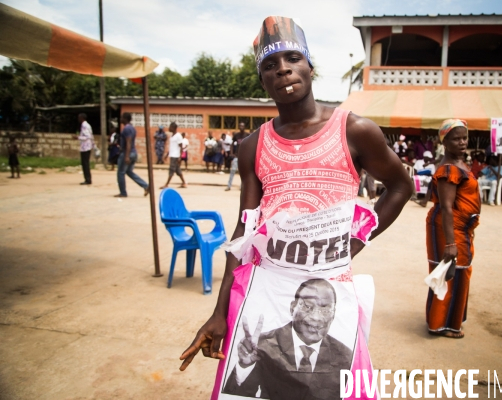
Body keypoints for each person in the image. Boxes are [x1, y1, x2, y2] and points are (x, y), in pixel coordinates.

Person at [178, 16, 413, 399]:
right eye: (270, 65)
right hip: (264, 291)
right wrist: (220, 312)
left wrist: (353, 243)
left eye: (292, 58)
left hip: (328, 292)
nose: (283, 69)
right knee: (257, 387)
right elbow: (244, 230)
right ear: (262, 80)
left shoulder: (355, 130)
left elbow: (401, 186)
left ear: (310, 67)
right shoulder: (253, 147)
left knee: (335, 388)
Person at [223, 279, 352, 398]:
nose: (316, 317)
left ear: (333, 315)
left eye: (325, 310)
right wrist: (245, 366)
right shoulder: (261, 347)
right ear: (292, 308)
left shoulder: (345, 357)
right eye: (307, 306)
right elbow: (235, 396)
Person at [426, 119, 480, 338]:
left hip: (460, 228)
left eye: (464, 137)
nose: (462, 142)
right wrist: (450, 243)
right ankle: (442, 324)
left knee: (459, 272)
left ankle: (449, 320)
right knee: (450, 273)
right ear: (445, 142)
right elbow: (447, 207)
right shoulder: (448, 169)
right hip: (449, 229)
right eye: (456, 138)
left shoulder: (460, 165)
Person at [114, 113, 149, 198]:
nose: (120, 119)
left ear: (125, 118)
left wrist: (126, 156)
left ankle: (123, 192)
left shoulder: (127, 129)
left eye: (122, 117)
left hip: (127, 153)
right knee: (129, 172)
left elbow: (128, 142)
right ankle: (145, 185)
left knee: (120, 173)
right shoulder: (132, 128)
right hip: (133, 153)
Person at [160, 122, 187, 189]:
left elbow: (181, 147)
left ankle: (166, 184)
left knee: (171, 169)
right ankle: (184, 183)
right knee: (177, 170)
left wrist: (180, 157)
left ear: (174, 128)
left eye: (170, 127)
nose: (169, 128)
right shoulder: (172, 136)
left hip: (176, 156)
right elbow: (172, 147)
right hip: (172, 155)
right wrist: (167, 154)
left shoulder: (178, 136)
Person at [225, 123, 250, 191]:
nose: (241, 127)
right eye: (240, 126)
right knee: (233, 170)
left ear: (245, 127)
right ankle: (229, 186)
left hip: (245, 156)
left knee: (244, 172)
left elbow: (251, 145)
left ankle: (242, 187)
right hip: (237, 156)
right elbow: (232, 144)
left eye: (242, 126)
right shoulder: (236, 135)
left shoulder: (248, 135)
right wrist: (231, 153)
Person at [73, 113, 93, 185]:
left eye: (79, 118)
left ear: (82, 118)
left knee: (85, 164)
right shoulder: (87, 125)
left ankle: (87, 180)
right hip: (87, 146)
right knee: (86, 163)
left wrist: (78, 137)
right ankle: (88, 179)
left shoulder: (84, 125)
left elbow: (87, 136)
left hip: (85, 147)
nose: (78, 119)